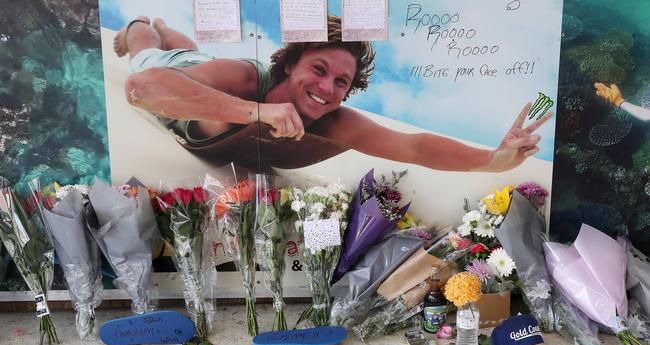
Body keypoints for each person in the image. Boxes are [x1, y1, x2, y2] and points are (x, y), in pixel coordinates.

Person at [114, 15, 551, 172]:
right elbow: (139, 89)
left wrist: (493, 163)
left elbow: (414, 147)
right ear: (289, 65)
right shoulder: (248, 79)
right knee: (148, 50)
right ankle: (144, 25)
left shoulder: (334, 119)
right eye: (319, 70)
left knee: (191, 47)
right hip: (172, 74)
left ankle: (172, 32)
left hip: (200, 68)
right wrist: (257, 112)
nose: (327, 88)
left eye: (341, 82)